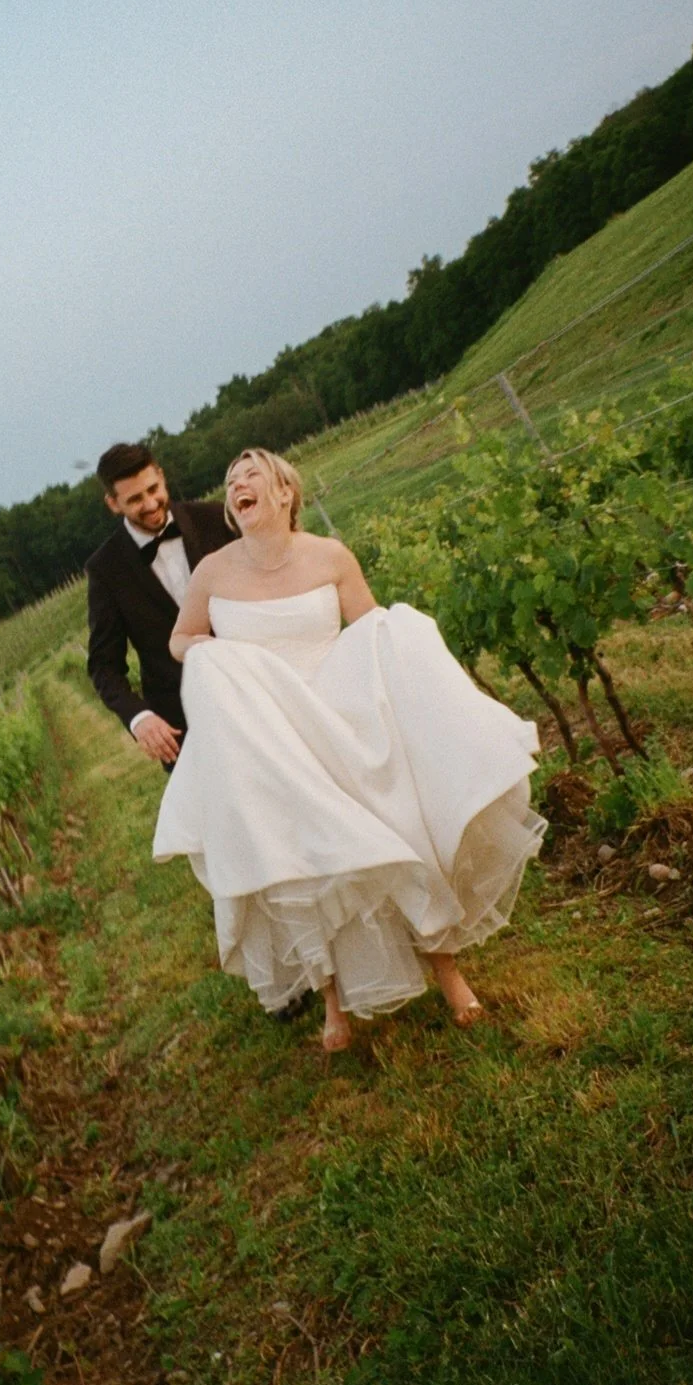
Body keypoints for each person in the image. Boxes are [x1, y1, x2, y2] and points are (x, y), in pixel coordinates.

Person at [153, 448, 544, 1053]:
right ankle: (332, 1003)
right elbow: (182, 639)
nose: (238, 484)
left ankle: (447, 969)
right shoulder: (213, 571)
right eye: (231, 481)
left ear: (286, 493)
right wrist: (209, 656)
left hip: (337, 702)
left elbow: (368, 627)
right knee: (304, 854)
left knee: (399, 817)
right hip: (269, 728)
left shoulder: (330, 556)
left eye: (252, 474)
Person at [85, 443, 237, 768]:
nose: (151, 503)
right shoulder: (105, 570)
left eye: (153, 489)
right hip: (183, 724)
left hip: (255, 688)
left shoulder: (215, 518)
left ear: (162, 477)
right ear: (113, 504)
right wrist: (139, 718)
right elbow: (104, 666)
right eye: (135, 500)